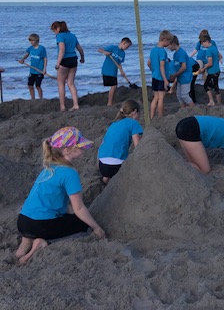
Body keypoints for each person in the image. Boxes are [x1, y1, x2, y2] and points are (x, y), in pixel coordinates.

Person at [15, 127, 105, 264]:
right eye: (79, 146)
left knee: (36, 225)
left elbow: (61, 204)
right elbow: (79, 209)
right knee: (83, 224)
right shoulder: (70, 173)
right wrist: (97, 228)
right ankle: (39, 246)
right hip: (41, 225)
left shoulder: (49, 166)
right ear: (67, 150)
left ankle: (23, 247)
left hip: (23, 221)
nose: (83, 149)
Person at [175, 116, 224, 190]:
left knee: (193, 164)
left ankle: (178, 170)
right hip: (191, 130)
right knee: (205, 170)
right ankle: (175, 167)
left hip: (185, 124)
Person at [97, 100, 143, 184]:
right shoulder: (133, 123)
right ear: (134, 111)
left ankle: (105, 181)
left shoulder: (114, 123)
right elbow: (138, 146)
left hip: (101, 165)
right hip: (116, 166)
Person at [51, 21, 85, 112]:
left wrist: (58, 63)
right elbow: (80, 48)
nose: (54, 32)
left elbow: (62, 50)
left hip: (64, 61)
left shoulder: (60, 36)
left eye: (54, 30)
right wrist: (82, 57)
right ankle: (76, 104)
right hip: (73, 59)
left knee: (61, 84)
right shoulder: (72, 35)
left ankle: (62, 106)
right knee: (71, 83)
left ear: (58, 28)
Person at [97, 37, 132, 107]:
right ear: (123, 43)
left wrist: (122, 71)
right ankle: (109, 103)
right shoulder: (112, 47)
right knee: (114, 86)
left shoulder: (123, 53)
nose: (127, 48)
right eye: (127, 46)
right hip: (107, 70)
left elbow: (119, 63)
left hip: (114, 71)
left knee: (114, 86)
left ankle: (111, 101)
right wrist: (105, 52)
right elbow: (99, 50)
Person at [147, 29, 173, 119]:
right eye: (169, 42)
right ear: (164, 40)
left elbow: (149, 63)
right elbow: (162, 66)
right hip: (162, 78)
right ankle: (160, 117)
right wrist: (166, 80)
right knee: (161, 98)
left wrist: (153, 71)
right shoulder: (162, 51)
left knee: (155, 98)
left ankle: (151, 116)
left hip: (155, 76)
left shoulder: (153, 50)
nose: (169, 44)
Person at [167, 36, 196, 109]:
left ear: (173, 44)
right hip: (180, 78)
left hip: (185, 77)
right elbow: (177, 67)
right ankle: (183, 110)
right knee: (179, 95)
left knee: (184, 95)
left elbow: (184, 67)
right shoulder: (175, 54)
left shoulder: (181, 53)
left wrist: (175, 75)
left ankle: (194, 109)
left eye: (168, 45)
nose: (168, 47)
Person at [18, 33, 47, 100]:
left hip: (39, 71)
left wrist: (44, 69)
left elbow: (45, 59)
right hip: (32, 70)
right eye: (30, 41)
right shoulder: (30, 48)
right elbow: (26, 54)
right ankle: (32, 99)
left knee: (38, 86)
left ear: (37, 40)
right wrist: (22, 59)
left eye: (32, 40)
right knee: (30, 86)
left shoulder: (42, 48)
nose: (31, 42)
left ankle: (40, 99)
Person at [199, 35, 222, 107]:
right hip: (217, 70)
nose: (202, 45)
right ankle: (218, 102)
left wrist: (203, 69)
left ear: (206, 41)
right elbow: (220, 56)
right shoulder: (214, 47)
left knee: (206, 85)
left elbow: (210, 63)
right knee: (215, 86)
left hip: (212, 71)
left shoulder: (209, 50)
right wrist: (216, 61)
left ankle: (212, 101)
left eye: (203, 43)